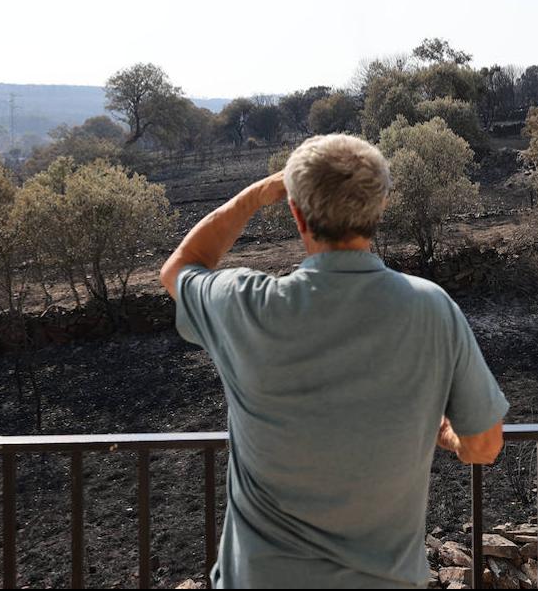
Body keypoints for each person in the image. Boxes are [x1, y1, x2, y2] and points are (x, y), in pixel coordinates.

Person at [160, 133, 507, 589]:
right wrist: (448, 436)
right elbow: (484, 446)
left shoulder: (248, 305)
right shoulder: (431, 308)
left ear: (297, 214)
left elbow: (181, 267)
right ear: (379, 209)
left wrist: (258, 194)